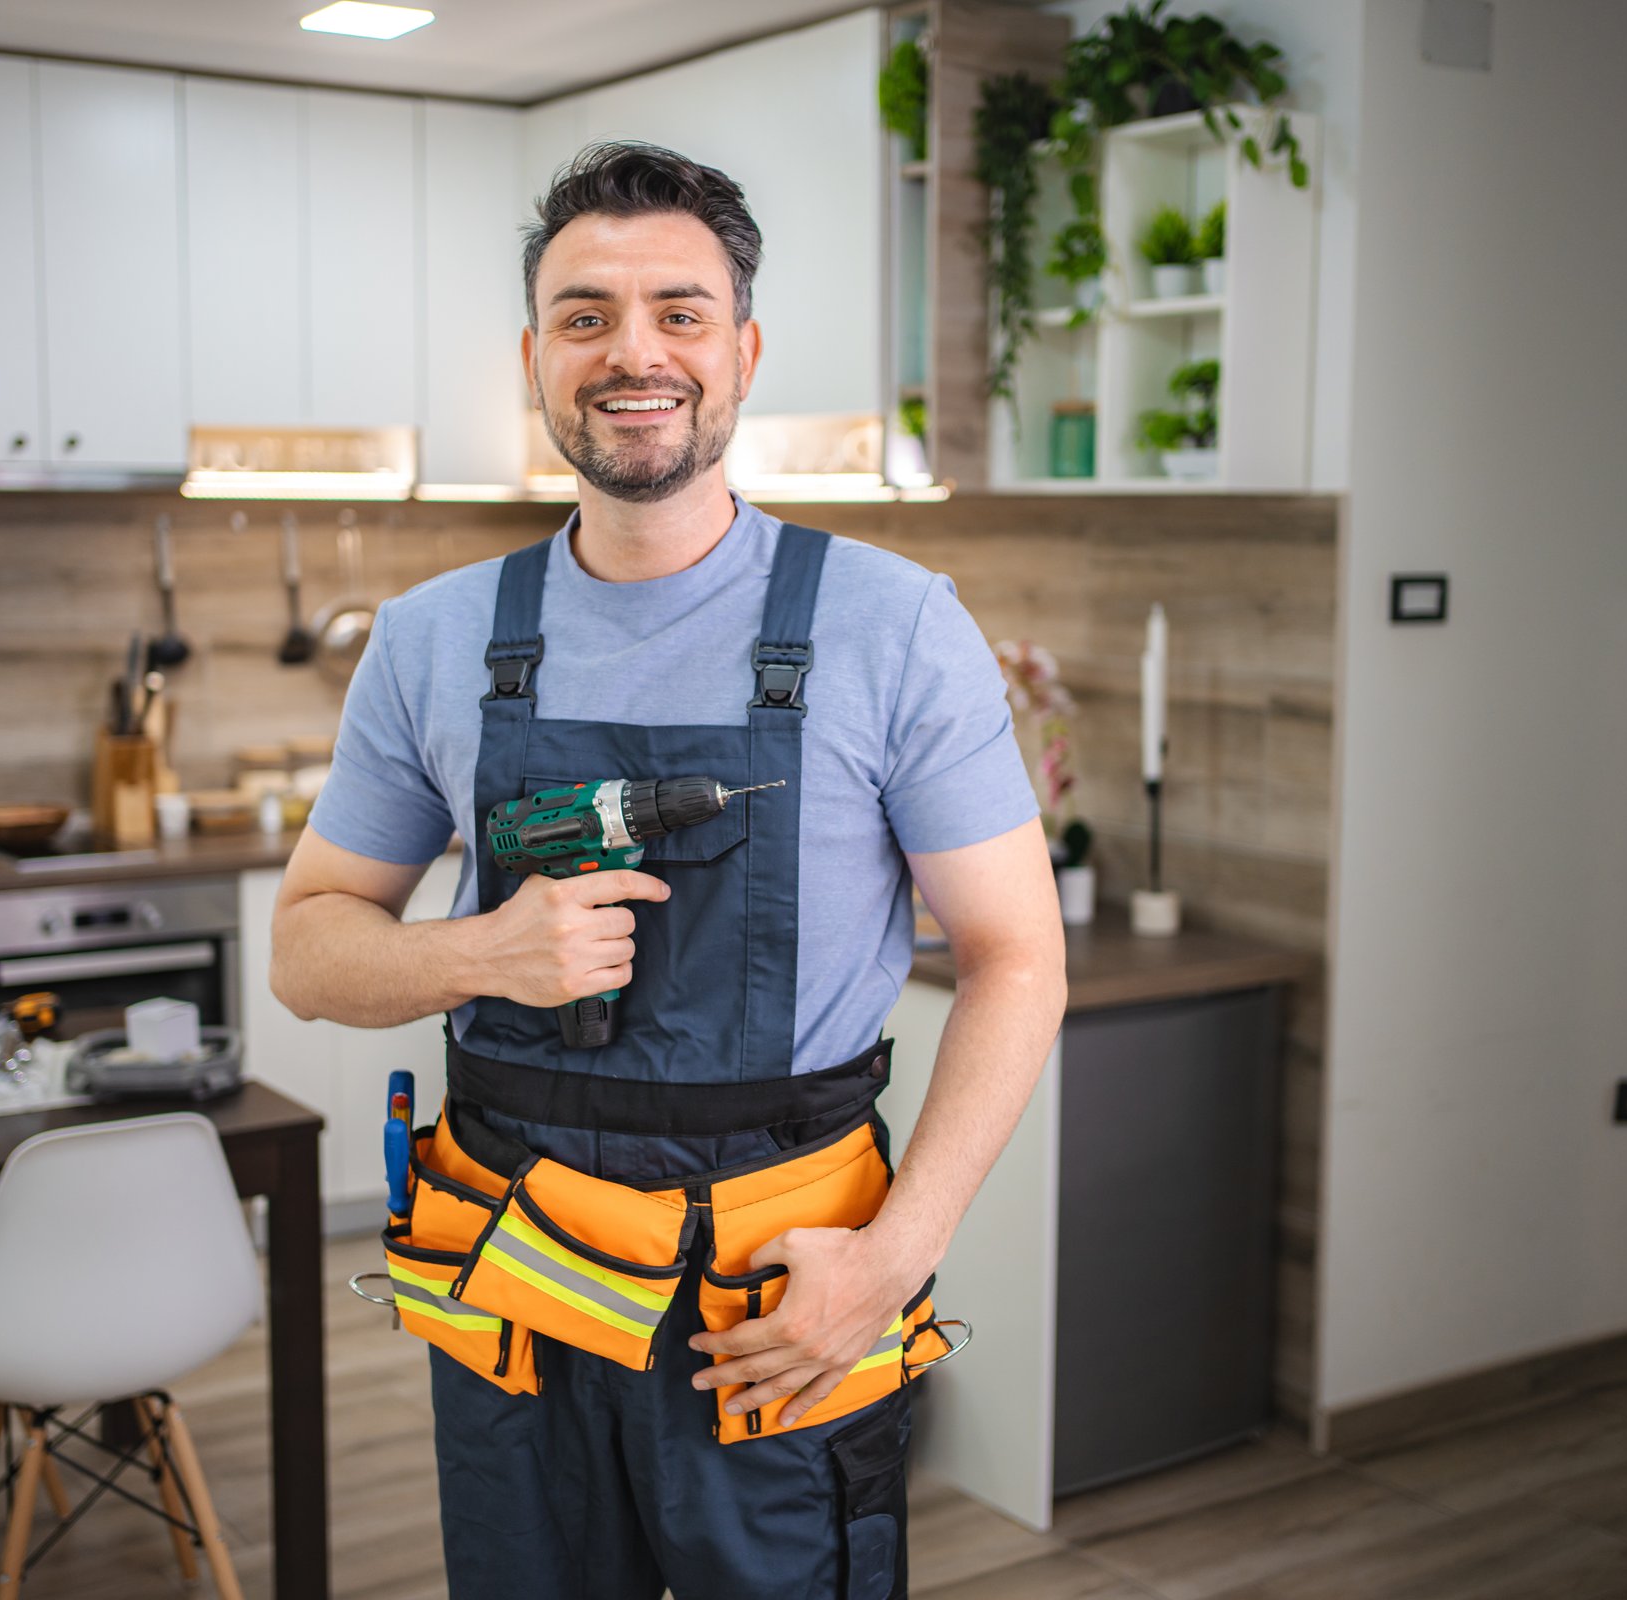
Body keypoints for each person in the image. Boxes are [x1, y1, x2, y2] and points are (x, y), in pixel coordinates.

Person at [271, 141, 1066, 1600]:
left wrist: (893, 1259)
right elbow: (308, 949)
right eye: (586, 316)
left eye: (679, 312)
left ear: (745, 349)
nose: (634, 352)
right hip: (516, 1286)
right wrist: (481, 955)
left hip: (778, 1300)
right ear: (535, 356)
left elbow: (1020, 955)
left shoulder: (896, 625)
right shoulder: (435, 636)